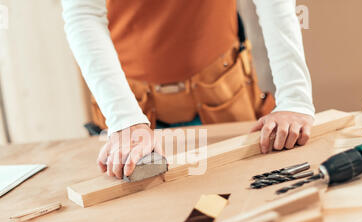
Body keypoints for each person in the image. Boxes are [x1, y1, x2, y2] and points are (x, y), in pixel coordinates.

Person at [62, 0, 314, 179]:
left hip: (222, 92)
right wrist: (124, 119)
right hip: (129, 104)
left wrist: (294, 99)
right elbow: (83, 13)